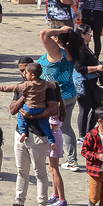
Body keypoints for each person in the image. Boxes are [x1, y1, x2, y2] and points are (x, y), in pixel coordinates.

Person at [1, 56, 58, 206]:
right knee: (21, 171)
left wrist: (38, 115)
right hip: (21, 134)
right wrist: (23, 98)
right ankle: (19, 203)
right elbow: (12, 110)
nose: (23, 74)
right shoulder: (22, 87)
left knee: (40, 173)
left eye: (25, 70)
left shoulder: (45, 87)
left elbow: (54, 109)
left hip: (39, 136)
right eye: (21, 71)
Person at [37, 26, 80, 170]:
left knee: (48, 127)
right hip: (69, 94)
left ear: (56, 39)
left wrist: (60, 29)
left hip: (55, 97)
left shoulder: (57, 53)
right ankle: (72, 160)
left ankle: (46, 155)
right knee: (66, 127)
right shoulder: (72, 50)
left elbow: (43, 33)